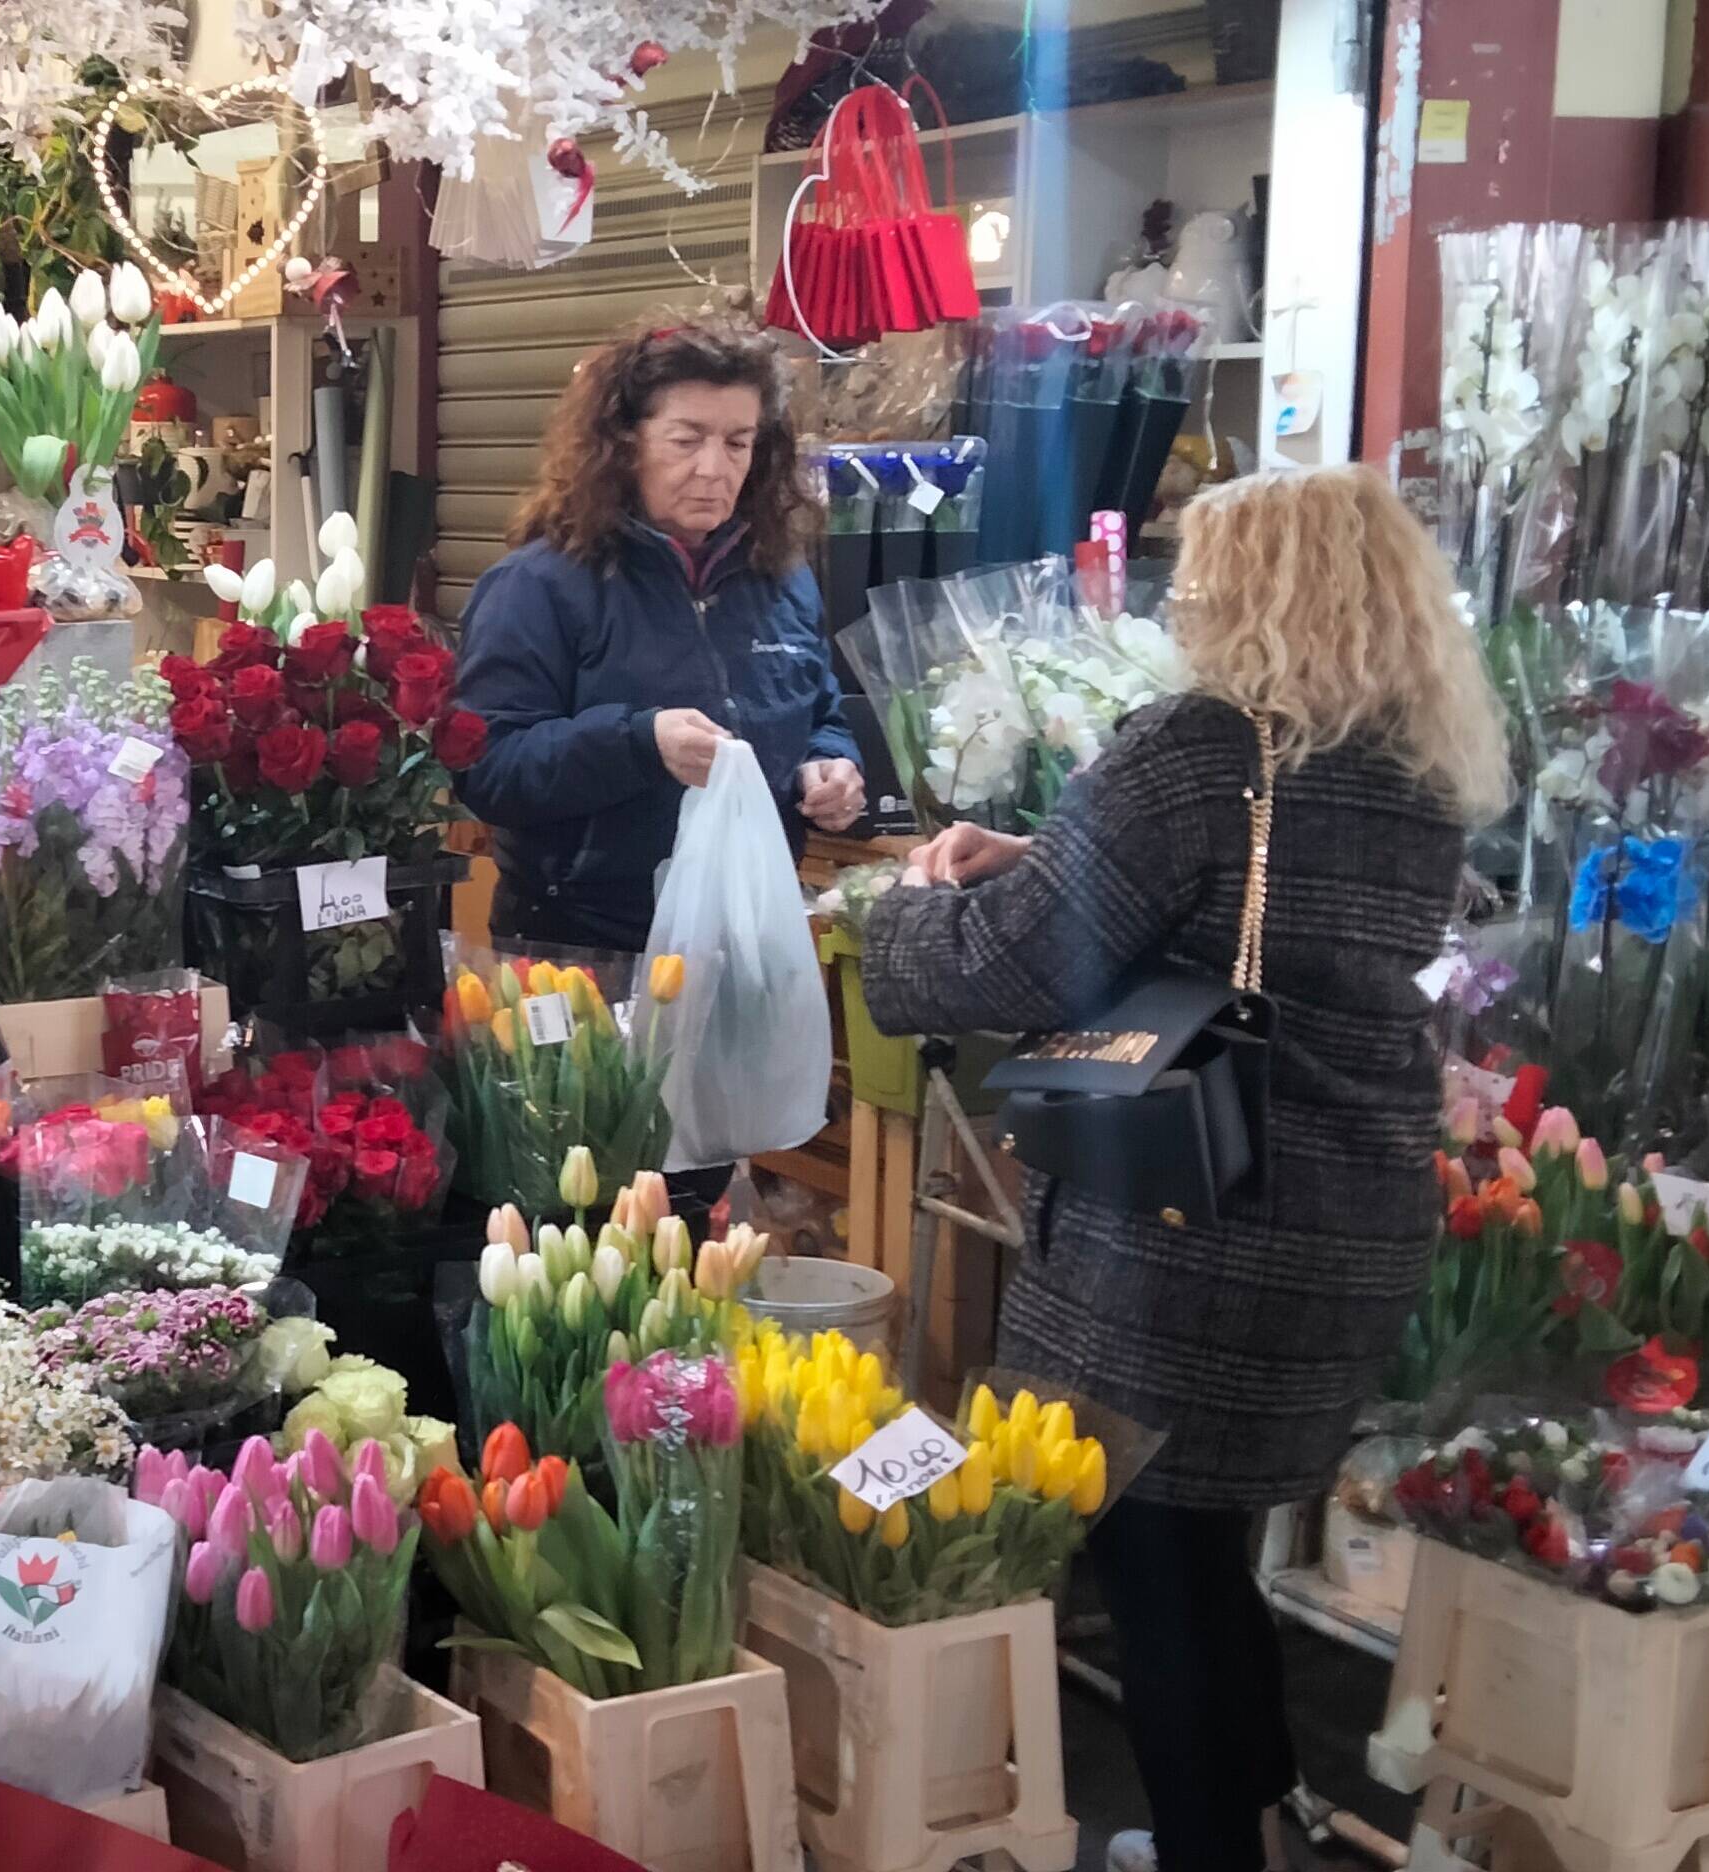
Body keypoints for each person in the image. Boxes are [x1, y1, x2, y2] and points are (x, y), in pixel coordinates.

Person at [855, 464, 1508, 1872]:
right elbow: (1258, 924)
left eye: (1205, 584)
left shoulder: (1203, 750)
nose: (1187, 608)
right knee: (1206, 1543)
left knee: (1149, 1556)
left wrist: (902, 912)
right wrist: (1044, 853)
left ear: (1261, 600)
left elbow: (1011, 958)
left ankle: (1214, 1840)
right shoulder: (1413, 764)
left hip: (1188, 1225)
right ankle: (1254, 1821)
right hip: (1347, 1208)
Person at [450, 319, 872, 954]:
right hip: (586, 949)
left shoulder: (782, 580)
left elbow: (820, 714)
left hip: (750, 938)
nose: (713, 468)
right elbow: (487, 769)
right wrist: (638, 743)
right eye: (686, 439)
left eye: (737, 442)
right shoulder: (537, 586)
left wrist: (833, 765)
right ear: (625, 444)